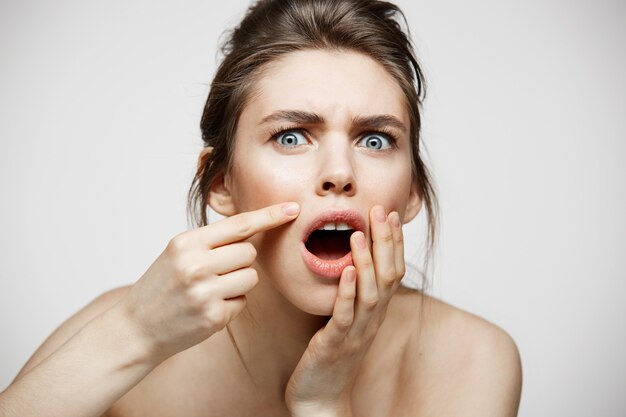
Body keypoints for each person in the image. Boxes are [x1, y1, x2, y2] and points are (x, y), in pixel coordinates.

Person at [0, 0, 522, 415]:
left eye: (376, 140)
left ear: (411, 193)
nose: (339, 172)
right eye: (291, 136)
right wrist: (132, 335)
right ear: (221, 182)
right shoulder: (120, 331)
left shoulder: (473, 362)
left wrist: (322, 405)